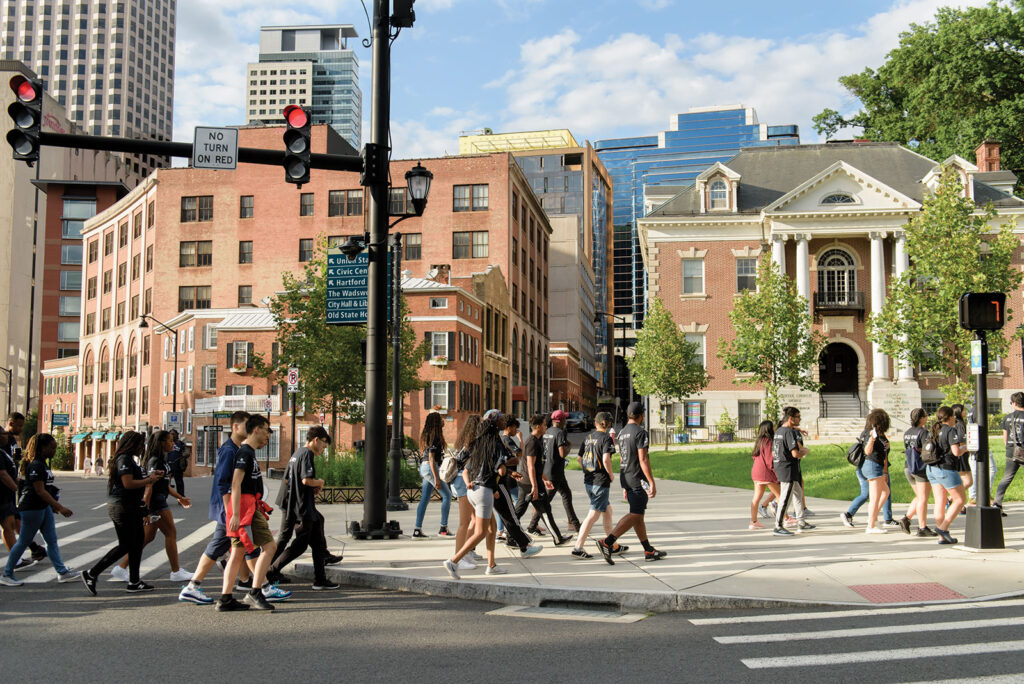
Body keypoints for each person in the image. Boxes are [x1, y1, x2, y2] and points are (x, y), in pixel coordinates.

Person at [179, 411, 261, 608]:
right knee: (220, 546)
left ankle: (247, 583)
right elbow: (224, 484)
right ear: (235, 427)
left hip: (233, 510)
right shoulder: (229, 451)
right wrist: (231, 512)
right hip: (229, 510)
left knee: (238, 547)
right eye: (246, 425)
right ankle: (193, 586)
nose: (249, 429)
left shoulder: (237, 448)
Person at [82, 431, 164, 595]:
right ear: (132, 444)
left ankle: (134, 581)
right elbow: (128, 483)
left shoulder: (129, 460)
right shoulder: (124, 459)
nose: (142, 448)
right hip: (122, 506)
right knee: (126, 544)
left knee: (137, 542)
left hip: (131, 505)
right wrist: (149, 480)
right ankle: (92, 573)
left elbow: (134, 479)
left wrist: (151, 475)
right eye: (140, 445)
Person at [110, 431, 193, 583]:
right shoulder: (155, 460)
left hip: (158, 499)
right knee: (171, 533)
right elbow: (149, 485)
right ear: (161, 442)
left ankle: (121, 568)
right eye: (169, 441)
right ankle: (176, 571)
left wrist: (180, 497)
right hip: (157, 502)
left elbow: (164, 484)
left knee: (146, 538)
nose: (172, 444)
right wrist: (145, 508)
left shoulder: (162, 459)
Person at [266, 426, 341, 590]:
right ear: (316, 440)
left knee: (317, 538)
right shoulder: (307, 454)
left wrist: (307, 490)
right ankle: (270, 571)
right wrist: (319, 483)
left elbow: (287, 480)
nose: (323, 449)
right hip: (300, 506)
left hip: (295, 503)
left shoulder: (297, 453)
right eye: (323, 445)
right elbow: (306, 480)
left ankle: (320, 579)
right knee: (298, 544)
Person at [0, 434, 80, 586]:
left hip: (43, 507)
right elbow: (40, 491)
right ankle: (7, 574)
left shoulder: (43, 463)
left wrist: (51, 506)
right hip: (32, 508)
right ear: (42, 448)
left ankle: (62, 572)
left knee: (51, 540)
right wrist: (59, 507)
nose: (54, 451)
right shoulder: (35, 465)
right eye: (52, 448)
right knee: (23, 541)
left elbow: (46, 490)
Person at [443, 411, 513, 578]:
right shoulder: (496, 444)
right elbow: (501, 470)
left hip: (473, 490)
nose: (504, 421)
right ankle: (454, 560)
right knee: (481, 532)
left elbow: (466, 469)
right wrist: (506, 470)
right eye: (501, 419)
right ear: (495, 424)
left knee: (492, 528)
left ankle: (491, 565)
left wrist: (468, 484)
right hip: (483, 491)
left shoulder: (478, 444)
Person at [596, 402, 666, 564]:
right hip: (637, 478)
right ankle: (607, 542)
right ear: (641, 415)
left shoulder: (623, 433)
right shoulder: (640, 433)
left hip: (626, 476)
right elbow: (643, 458)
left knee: (638, 515)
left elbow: (622, 458)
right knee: (635, 514)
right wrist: (651, 481)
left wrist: (624, 485)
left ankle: (648, 550)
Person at [223, 414, 280, 610]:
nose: (268, 435)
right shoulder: (244, 453)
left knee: (238, 553)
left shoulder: (249, 452)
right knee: (269, 547)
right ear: (256, 429)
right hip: (246, 509)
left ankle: (225, 598)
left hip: (247, 507)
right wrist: (237, 515)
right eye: (266, 430)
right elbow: (235, 483)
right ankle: (256, 592)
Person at [572, 412, 624, 559]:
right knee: (593, 515)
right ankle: (578, 547)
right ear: (607, 424)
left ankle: (612, 544)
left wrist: (588, 470)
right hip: (600, 482)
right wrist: (611, 474)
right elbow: (606, 459)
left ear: (596, 423)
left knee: (607, 511)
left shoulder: (588, 438)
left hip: (589, 480)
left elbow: (579, 458)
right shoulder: (606, 438)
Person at [514, 414, 570, 545]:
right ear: (538, 426)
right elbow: (530, 465)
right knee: (544, 510)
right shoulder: (532, 442)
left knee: (521, 511)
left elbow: (538, 465)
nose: (546, 427)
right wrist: (535, 486)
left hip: (528, 482)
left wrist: (545, 479)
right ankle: (558, 538)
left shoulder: (537, 440)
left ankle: (510, 536)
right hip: (530, 483)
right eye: (544, 425)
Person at [926, 406, 968, 544]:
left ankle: (942, 537)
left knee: (940, 501)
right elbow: (956, 452)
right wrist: (967, 447)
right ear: (950, 417)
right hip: (946, 468)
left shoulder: (933, 430)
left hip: (931, 468)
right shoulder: (950, 430)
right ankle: (943, 528)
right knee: (960, 500)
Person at [772, 407, 814, 537]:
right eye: (798, 417)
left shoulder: (779, 431)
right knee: (785, 498)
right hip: (788, 469)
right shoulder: (789, 432)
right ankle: (778, 526)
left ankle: (801, 521)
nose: (799, 419)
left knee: (798, 493)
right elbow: (795, 453)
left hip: (783, 467)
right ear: (791, 419)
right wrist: (805, 452)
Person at [449, 415, 482, 570]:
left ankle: (466, 552)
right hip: (464, 481)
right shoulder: (473, 443)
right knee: (465, 522)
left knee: (474, 519)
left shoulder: (463, 441)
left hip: (460, 481)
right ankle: (458, 558)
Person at [412, 412, 452, 538]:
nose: (442, 420)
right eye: (440, 419)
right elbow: (431, 458)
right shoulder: (434, 436)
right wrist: (436, 479)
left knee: (424, 498)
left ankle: (417, 530)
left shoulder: (427, 434)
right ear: (436, 421)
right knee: (447, 496)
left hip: (425, 468)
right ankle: (443, 529)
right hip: (430, 468)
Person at [899, 408, 936, 537]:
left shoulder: (907, 432)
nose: (927, 418)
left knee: (920, 497)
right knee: (923, 499)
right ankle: (922, 527)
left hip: (908, 466)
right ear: (921, 418)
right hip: (920, 468)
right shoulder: (924, 432)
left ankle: (906, 518)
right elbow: (928, 450)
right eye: (925, 416)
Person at [855, 410, 892, 534]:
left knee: (885, 491)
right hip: (872, 465)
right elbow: (868, 451)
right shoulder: (869, 433)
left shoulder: (880, 435)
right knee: (875, 497)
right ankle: (871, 524)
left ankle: (873, 517)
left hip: (877, 465)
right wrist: (872, 438)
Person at [544, 410, 581, 532]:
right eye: (564, 418)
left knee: (566, 494)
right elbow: (562, 454)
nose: (566, 420)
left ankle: (575, 524)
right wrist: (569, 446)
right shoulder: (560, 433)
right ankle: (532, 525)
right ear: (560, 421)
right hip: (555, 472)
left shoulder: (547, 431)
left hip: (548, 469)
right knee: (545, 501)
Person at [993, 392, 1024, 513]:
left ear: (1014, 403)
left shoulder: (1007, 417)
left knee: (1007, 478)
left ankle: (997, 503)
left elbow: (1005, 438)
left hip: (1012, 451)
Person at [749, 421, 780, 530]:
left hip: (756, 471)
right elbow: (769, 460)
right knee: (780, 496)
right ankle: (784, 519)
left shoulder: (758, 441)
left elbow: (754, 455)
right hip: (765, 473)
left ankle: (753, 521)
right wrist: (776, 473)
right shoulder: (768, 442)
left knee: (756, 498)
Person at [497, 418, 522, 542]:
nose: (516, 430)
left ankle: (501, 530)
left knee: (503, 504)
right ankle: (512, 528)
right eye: (514, 427)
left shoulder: (503, 439)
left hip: (508, 475)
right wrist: (521, 440)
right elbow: (520, 455)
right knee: (518, 501)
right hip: (508, 477)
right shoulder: (506, 440)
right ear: (509, 427)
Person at [951, 404, 972, 507]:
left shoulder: (954, 424)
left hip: (956, 455)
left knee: (960, 481)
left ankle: (957, 503)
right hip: (961, 456)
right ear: (959, 412)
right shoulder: (960, 424)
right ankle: (952, 499)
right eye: (964, 410)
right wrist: (970, 447)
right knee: (968, 481)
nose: (966, 412)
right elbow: (961, 441)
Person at [166, 429, 189, 496]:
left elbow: (186, 451)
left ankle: (181, 496)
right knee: (165, 482)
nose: (172, 435)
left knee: (179, 482)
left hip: (178, 465)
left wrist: (185, 454)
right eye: (171, 434)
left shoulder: (181, 444)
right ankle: (164, 497)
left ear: (177, 435)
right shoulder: (167, 443)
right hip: (168, 465)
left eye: (173, 434)